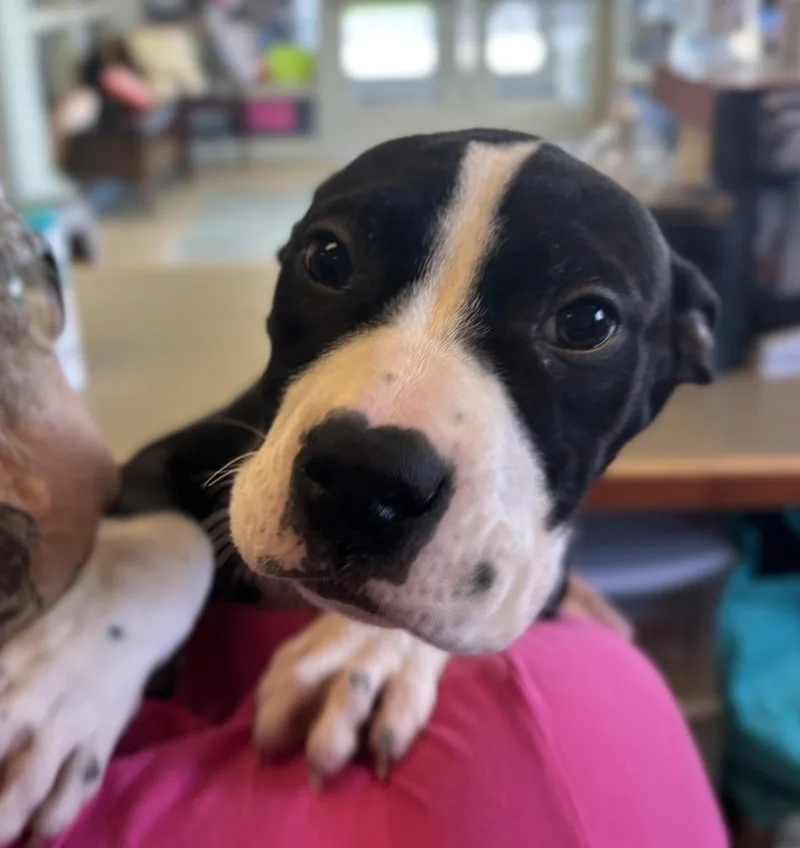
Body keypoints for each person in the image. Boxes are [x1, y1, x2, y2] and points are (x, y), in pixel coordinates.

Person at [0, 200, 726, 848]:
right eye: (330, 261)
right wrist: (126, 604)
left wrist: (447, 609)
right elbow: (166, 477)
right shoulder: (562, 727)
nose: (387, 403)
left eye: (584, 322)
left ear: (681, 349)